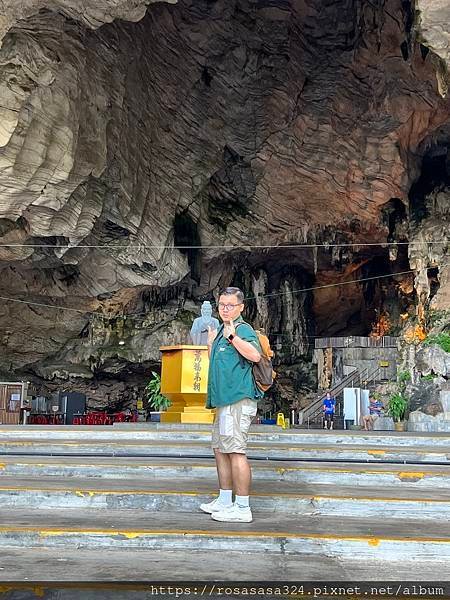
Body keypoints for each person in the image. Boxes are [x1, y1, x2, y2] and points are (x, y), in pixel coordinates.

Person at [199, 286, 262, 523]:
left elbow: (255, 356)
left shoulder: (242, 329)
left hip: (237, 400)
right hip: (223, 401)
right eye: (222, 305)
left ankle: (242, 506)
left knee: (236, 450)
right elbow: (217, 362)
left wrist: (233, 337)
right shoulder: (222, 330)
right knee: (220, 450)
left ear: (241, 307)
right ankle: (225, 499)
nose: (225, 309)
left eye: (230, 305)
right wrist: (211, 343)